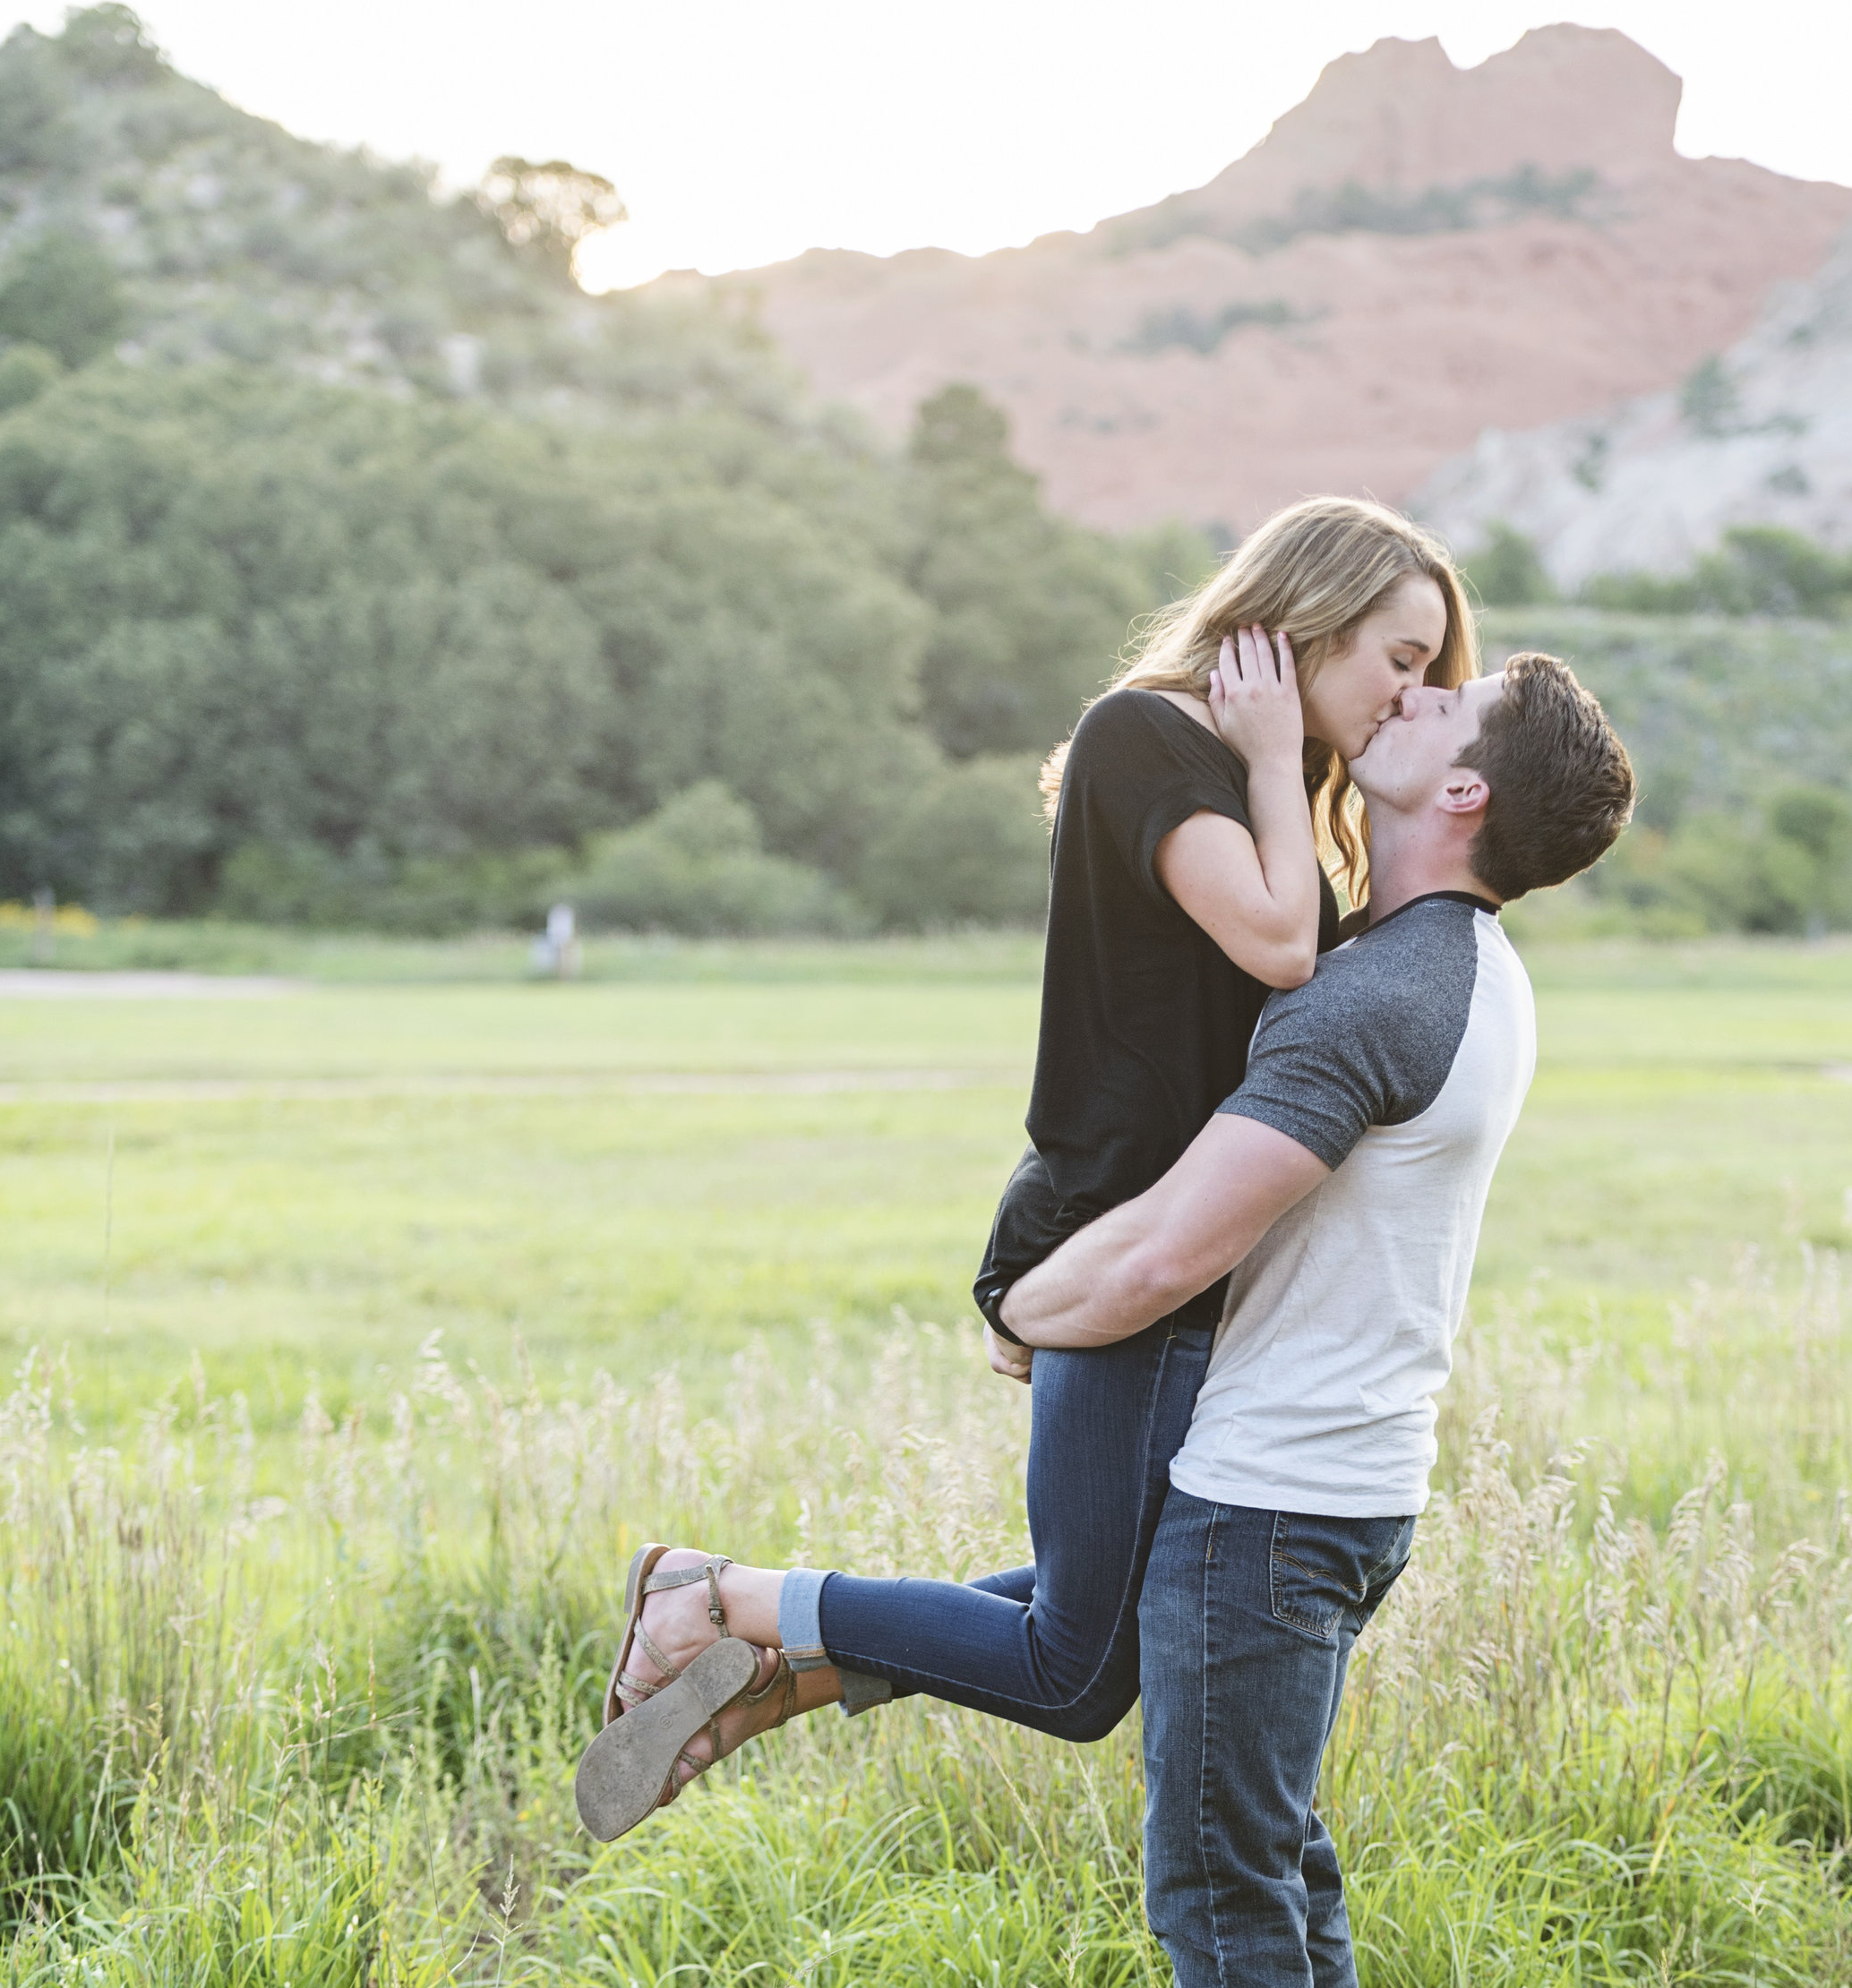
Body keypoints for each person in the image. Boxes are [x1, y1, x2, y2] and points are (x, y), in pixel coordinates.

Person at [574, 496, 1477, 1842]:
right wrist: (1281, 751)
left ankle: (788, 1664)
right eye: (1401, 659)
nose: (1412, 696)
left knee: (1123, 1620)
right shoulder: (1150, 739)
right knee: (1077, 1666)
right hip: (1111, 1244)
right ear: (1309, 618)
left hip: (1173, 1261)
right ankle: (724, 1599)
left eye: (1433, 676)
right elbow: (1283, 946)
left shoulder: (1263, 789)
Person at [991, 651, 1635, 1988]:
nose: (1411, 693)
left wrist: (1023, 1307)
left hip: (1268, 1503)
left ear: (1465, 795)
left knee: (1220, 1893)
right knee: (1282, 1871)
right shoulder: (1452, 968)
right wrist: (1279, 766)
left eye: (1444, 701)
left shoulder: (1369, 1003)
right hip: (1345, 1494)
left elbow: (1155, 1254)